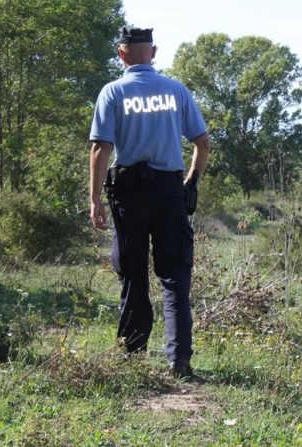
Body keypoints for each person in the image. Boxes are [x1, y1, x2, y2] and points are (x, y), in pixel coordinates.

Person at [89, 26, 210, 378]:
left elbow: (101, 148)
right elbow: (202, 143)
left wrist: (95, 199)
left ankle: (132, 354)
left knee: (134, 275)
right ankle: (179, 361)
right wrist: (192, 181)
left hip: (128, 196)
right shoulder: (176, 90)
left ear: (121, 53)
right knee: (174, 277)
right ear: (153, 53)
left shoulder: (113, 92)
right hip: (170, 192)